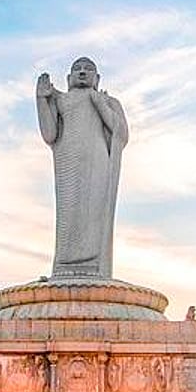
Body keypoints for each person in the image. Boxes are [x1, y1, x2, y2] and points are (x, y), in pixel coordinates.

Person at [36, 57, 129, 278]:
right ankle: (66, 263)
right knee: (69, 211)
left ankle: (93, 262)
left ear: (97, 78)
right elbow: (50, 135)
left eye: (88, 69)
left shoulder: (108, 101)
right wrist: (42, 100)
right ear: (69, 78)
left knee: (94, 208)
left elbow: (121, 133)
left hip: (96, 160)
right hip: (68, 159)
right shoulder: (61, 100)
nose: (82, 72)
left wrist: (100, 104)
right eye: (77, 69)